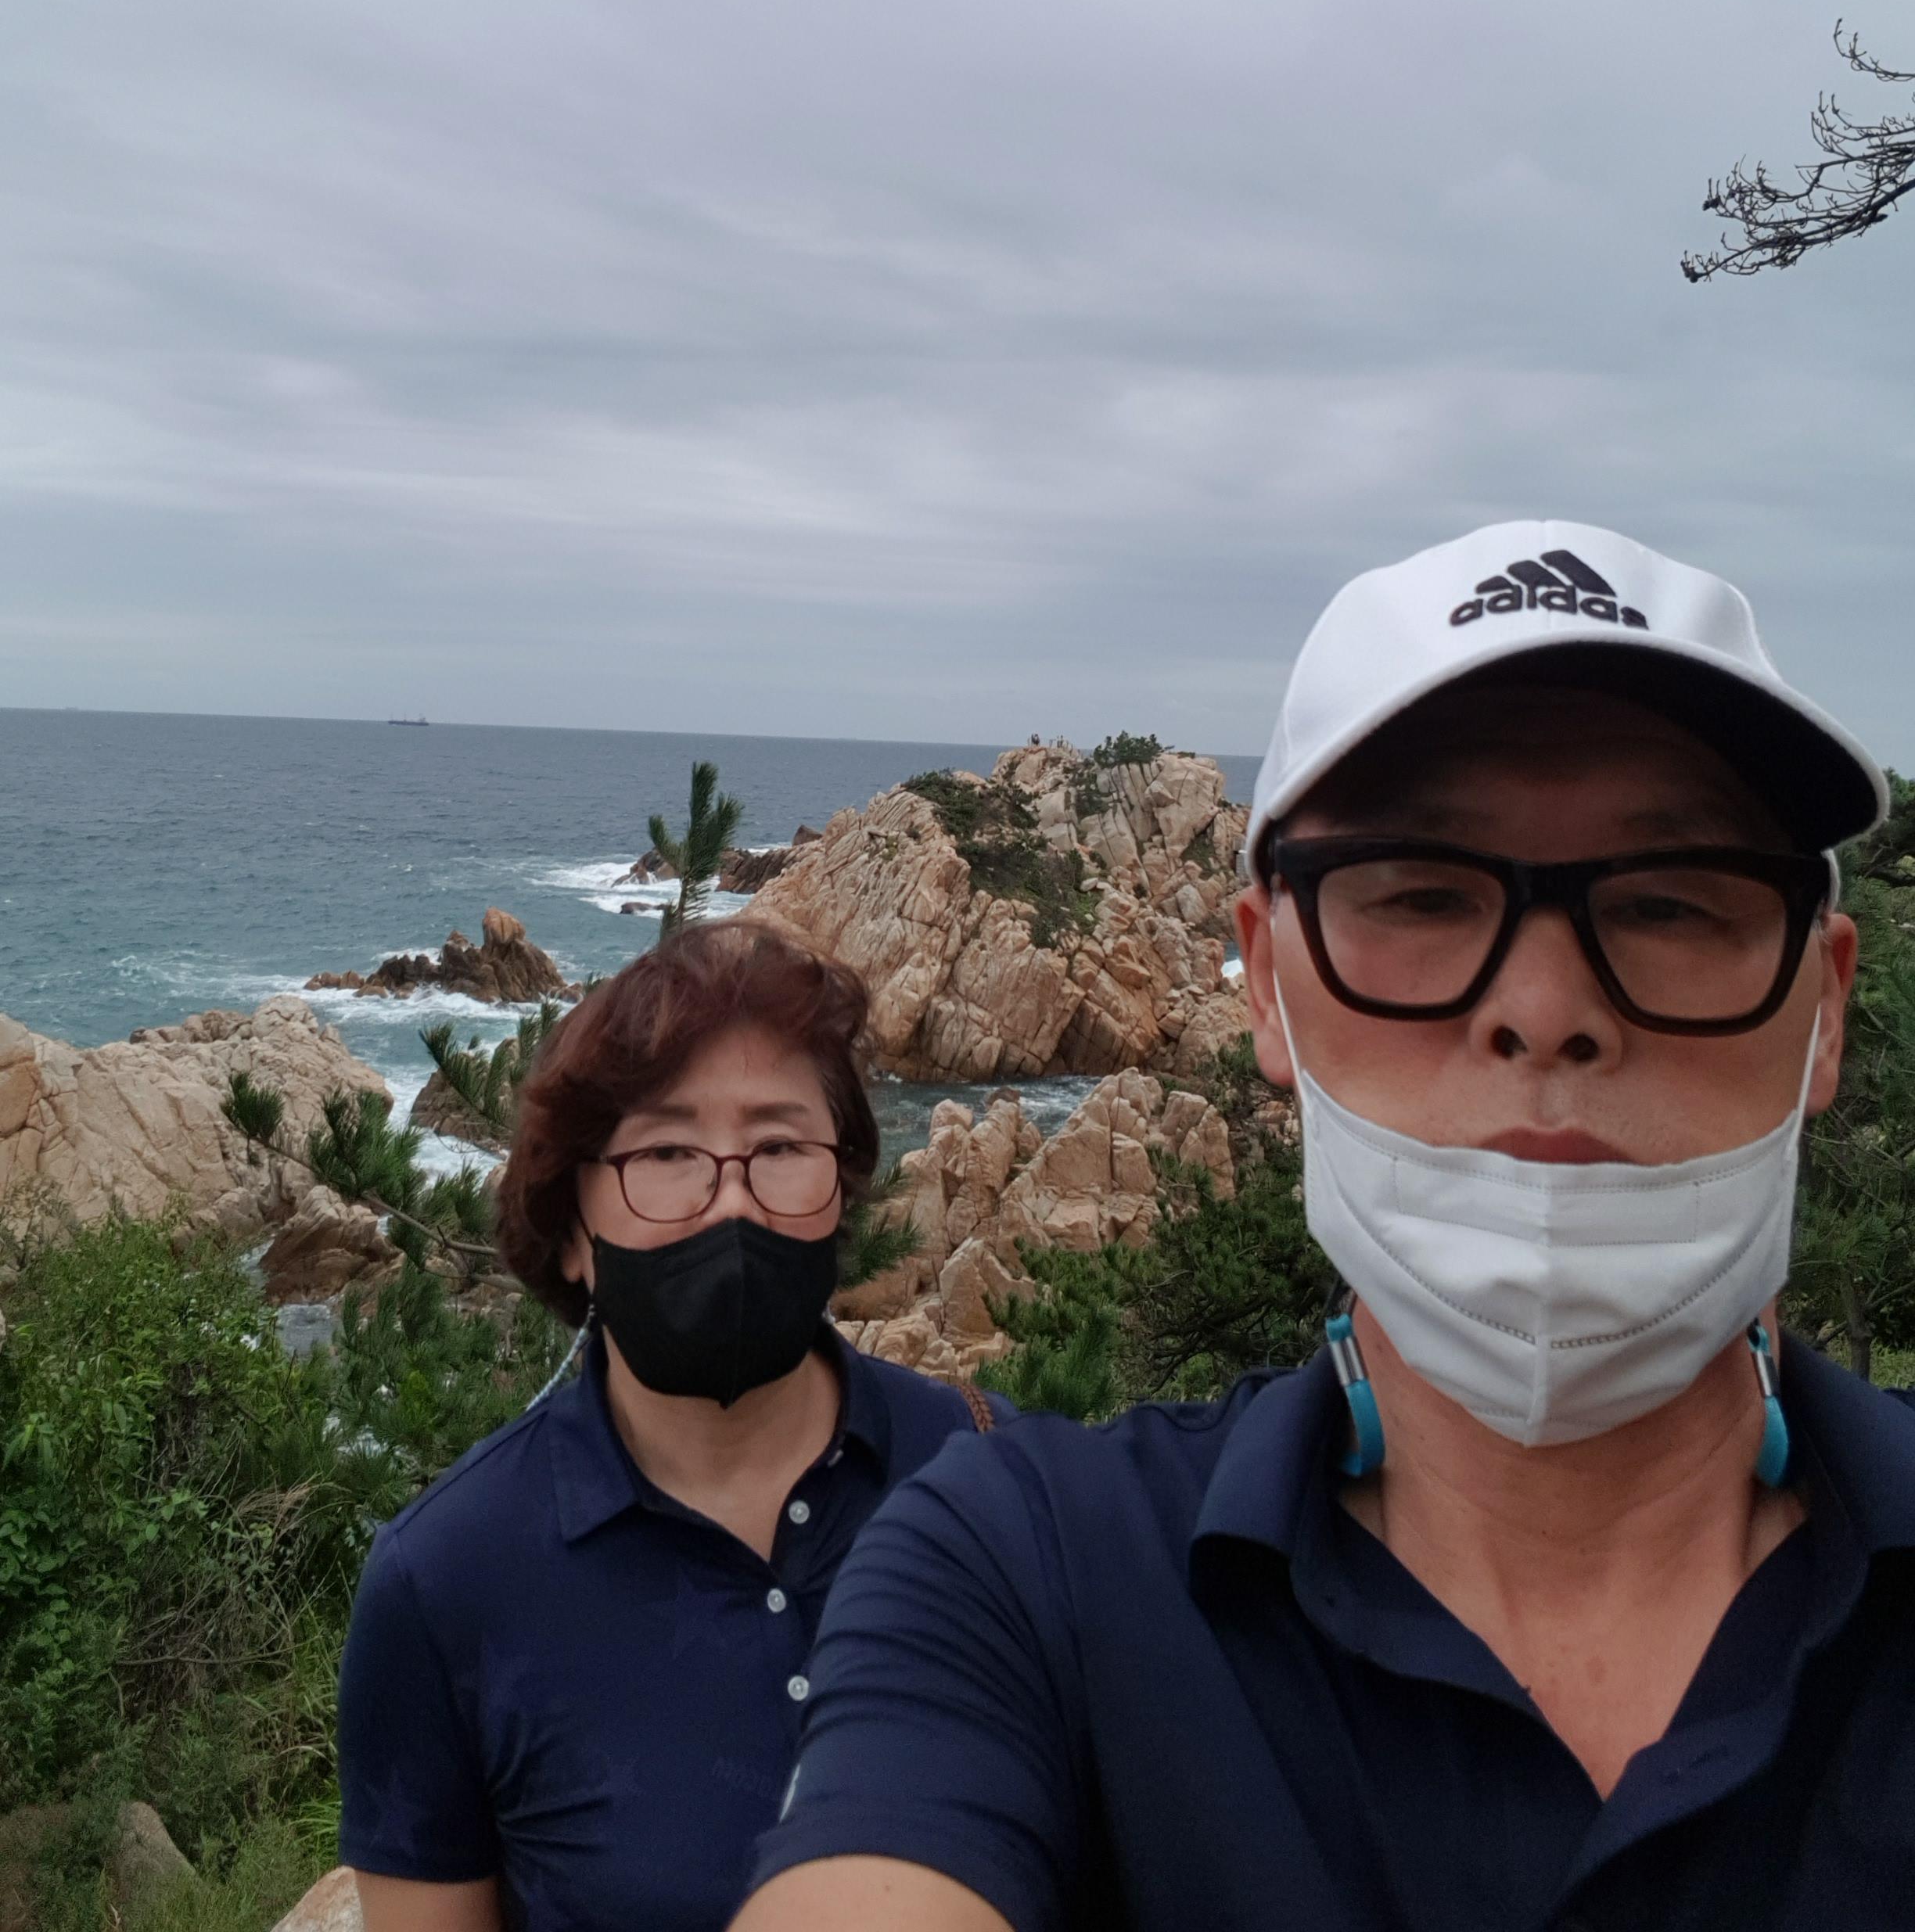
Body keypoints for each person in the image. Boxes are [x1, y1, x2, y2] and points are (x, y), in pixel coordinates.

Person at [735, 520, 1915, 1932]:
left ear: (1825, 1004)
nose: (1545, 1009)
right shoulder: (1025, 1574)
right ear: (1265, 983)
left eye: (1668, 901)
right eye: (1421, 893)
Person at [336, 917, 1006, 1932]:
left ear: (841, 1186)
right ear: (572, 1229)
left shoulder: (995, 1483)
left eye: (780, 1146)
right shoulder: (445, 1584)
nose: (731, 1204)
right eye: (667, 1152)